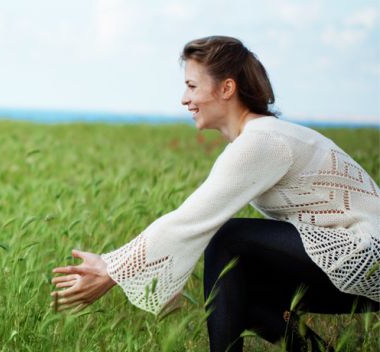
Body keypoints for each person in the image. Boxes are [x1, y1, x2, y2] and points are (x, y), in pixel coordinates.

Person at [51, 36, 379, 351]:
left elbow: (192, 220)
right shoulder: (257, 139)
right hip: (346, 260)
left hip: (369, 256)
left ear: (226, 88)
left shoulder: (263, 140)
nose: (183, 98)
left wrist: (111, 269)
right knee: (233, 286)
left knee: (228, 238)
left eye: (192, 86)